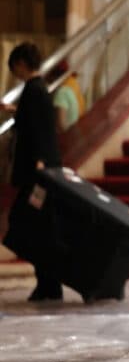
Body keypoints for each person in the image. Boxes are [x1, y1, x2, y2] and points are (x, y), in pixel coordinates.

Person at [3, 43, 63, 301]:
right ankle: (48, 283)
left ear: (21, 63)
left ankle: (47, 284)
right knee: (39, 226)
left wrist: (39, 162)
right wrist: (13, 111)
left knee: (33, 225)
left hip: (37, 173)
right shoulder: (40, 89)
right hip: (43, 170)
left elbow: (36, 129)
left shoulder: (32, 89)